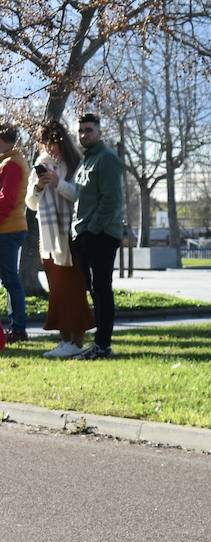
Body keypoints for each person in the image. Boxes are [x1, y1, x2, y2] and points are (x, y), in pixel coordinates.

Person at [26, 121, 92, 358]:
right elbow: (31, 204)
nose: (48, 148)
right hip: (49, 237)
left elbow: (80, 195)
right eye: (44, 143)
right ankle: (65, 339)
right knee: (57, 291)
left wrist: (58, 183)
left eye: (52, 143)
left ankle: (76, 340)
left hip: (70, 235)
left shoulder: (75, 164)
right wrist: (39, 187)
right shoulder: (41, 165)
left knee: (74, 289)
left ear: (61, 141)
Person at [69, 114, 124, 361]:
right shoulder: (86, 160)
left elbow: (111, 200)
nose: (84, 135)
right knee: (95, 289)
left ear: (100, 132)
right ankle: (98, 344)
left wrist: (92, 230)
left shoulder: (107, 159)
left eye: (88, 130)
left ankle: (103, 345)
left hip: (101, 235)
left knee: (102, 288)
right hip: (84, 233)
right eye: (80, 131)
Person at [0, 123, 29, 343]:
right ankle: (16, 328)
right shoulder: (10, 161)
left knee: (11, 280)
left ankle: (18, 329)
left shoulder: (11, 164)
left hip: (7, 229)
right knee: (10, 280)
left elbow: (6, 201)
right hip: (9, 228)